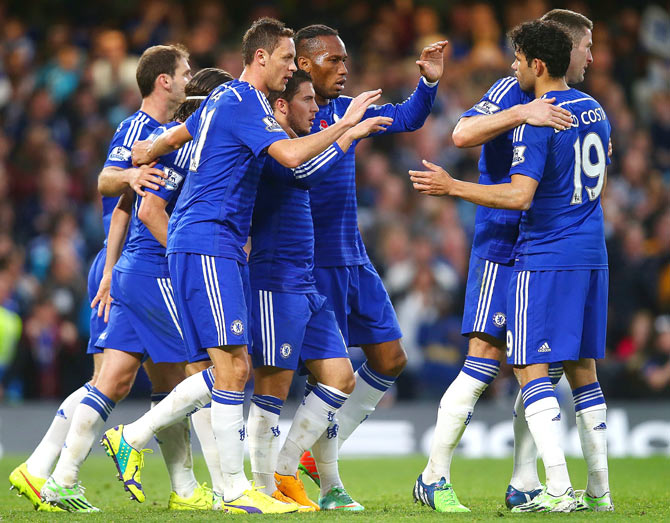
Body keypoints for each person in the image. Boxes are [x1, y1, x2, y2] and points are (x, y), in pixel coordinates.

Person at [128, 17, 381, 514]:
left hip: (208, 242)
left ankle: (149, 446)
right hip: (208, 240)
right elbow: (288, 156)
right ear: (260, 58)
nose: (293, 68)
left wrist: (150, 148)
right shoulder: (243, 100)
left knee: (232, 367)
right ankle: (228, 487)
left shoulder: (224, 99)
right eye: (287, 59)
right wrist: (345, 126)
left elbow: (183, 128)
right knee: (233, 368)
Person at [409, 19, 613, 513]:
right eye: (585, 47)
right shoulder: (512, 89)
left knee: (539, 362)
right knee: (487, 359)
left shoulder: (570, 107)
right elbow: (461, 133)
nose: (588, 58)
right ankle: (434, 475)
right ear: (557, 50)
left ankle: (526, 482)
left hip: (539, 242)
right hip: (503, 244)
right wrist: (525, 110)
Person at [8, 44, 188, 513]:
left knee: (121, 380)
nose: (188, 80)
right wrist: (129, 176)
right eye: (184, 72)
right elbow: (105, 179)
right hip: (131, 264)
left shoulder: (166, 132)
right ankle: (56, 473)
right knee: (154, 376)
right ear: (163, 80)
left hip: (122, 265)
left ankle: (44, 468)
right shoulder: (139, 127)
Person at [291, 24, 446, 482]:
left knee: (390, 358)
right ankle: (326, 479)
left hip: (353, 257)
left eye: (345, 61)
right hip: (313, 261)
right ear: (304, 64)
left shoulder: (346, 110)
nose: (344, 69)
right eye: (333, 61)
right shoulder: (286, 116)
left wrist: (429, 82)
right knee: (327, 378)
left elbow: (406, 118)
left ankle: (308, 456)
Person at [248, 71, 391, 512]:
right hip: (273, 280)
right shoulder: (272, 146)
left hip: (305, 281)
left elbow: (317, 166)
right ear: (281, 107)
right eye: (307, 101)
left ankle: (285, 467)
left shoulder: (301, 145)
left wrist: (350, 130)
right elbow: (308, 171)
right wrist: (346, 127)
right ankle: (261, 488)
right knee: (271, 387)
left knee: (340, 377)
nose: (316, 108)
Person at [96, 68, 234, 512]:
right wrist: (191, 254)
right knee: (207, 370)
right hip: (156, 270)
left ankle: (187, 488)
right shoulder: (167, 140)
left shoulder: (186, 145)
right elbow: (145, 208)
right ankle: (225, 487)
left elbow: (124, 207)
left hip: (140, 268)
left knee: (129, 380)